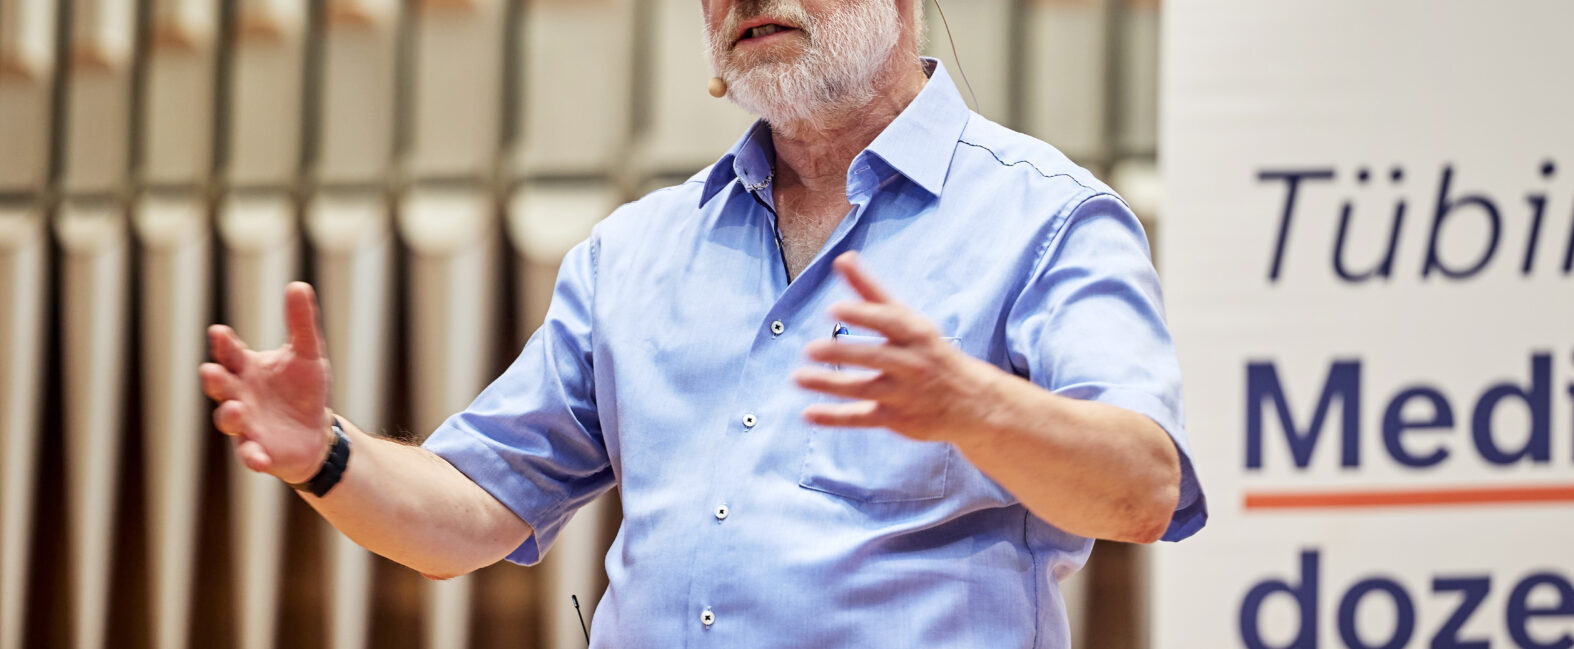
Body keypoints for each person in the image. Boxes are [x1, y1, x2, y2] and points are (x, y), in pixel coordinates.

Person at [198, 0, 1206, 645]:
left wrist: (973, 407)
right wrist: (324, 454)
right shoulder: (636, 252)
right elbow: (468, 511)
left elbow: (1143, 488)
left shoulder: (1044, 217)